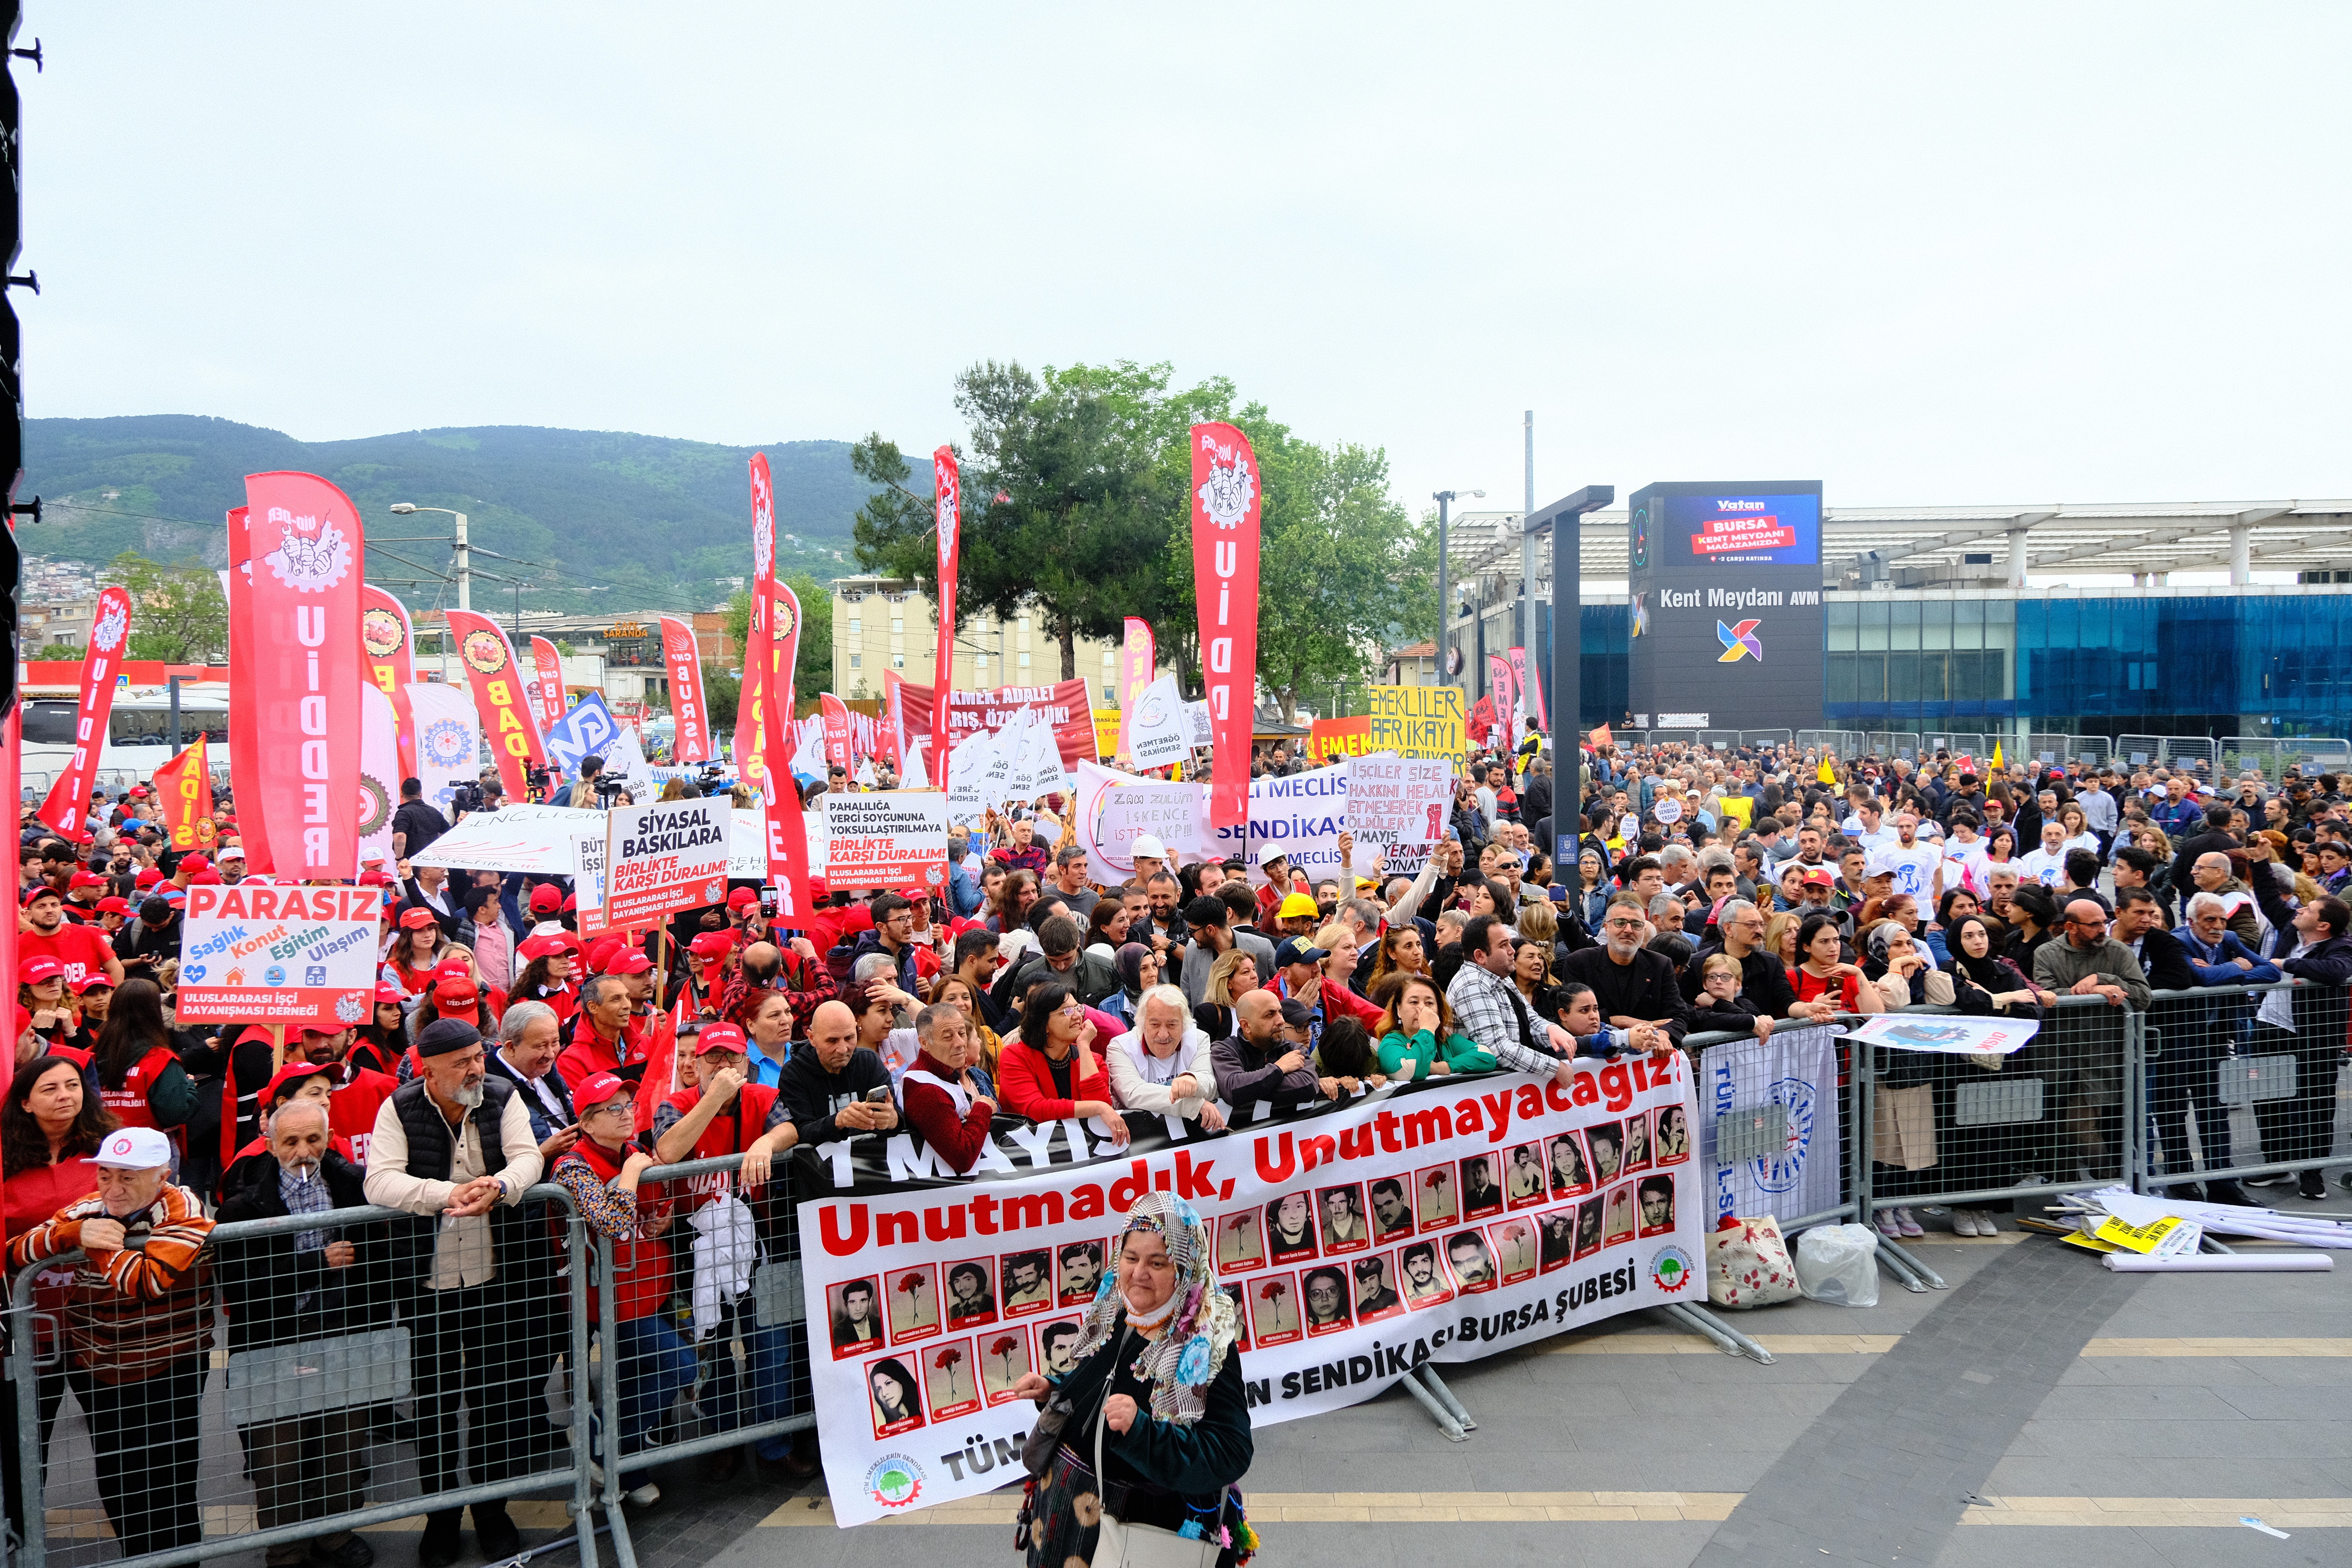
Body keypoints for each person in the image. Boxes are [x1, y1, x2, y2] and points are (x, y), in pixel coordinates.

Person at [362, 1018, 548, 1567]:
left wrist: (500, 1186)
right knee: (436, 1406)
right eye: (462, 1062)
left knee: (496, 1402)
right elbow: (380, 1180)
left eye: (478, 1056)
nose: (476, 1067)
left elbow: (529, 1156)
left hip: (497, 1276)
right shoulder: (398, 1106)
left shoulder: (501, 1094)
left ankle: (493, 1511)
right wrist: (450, 1193)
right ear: (429, 1070)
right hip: (430, 1284)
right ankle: (441, 1517)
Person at [1011, 1193, 1254, 1568]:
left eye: (1158, 1261)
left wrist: (1144, 1433)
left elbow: (1231, 1451)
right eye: (1131, 1257)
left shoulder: (1206, 1339)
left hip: (1146, 1539)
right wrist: (1054, 1391)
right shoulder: (1119, 1315)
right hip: (1073, 1531)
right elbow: (1103, 1386)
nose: (1139, 1272)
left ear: (1185, 1268)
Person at [11, 1125, 215, 1559]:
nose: (113, 1187)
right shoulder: (90, 1208)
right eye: (105, 1174)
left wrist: (98, 1243)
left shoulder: (185, 1206)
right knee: (119, 1485)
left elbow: (146, 1280)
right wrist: (70, 1235)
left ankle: (179, 1561)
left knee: (168, 1488)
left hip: (168, 1368)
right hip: (98, 1369)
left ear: (162, 1175)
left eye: (128, 1175)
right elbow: (14, 1250)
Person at [215, 1098, 386, 1568]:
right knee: (278, 1456)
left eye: (313, 1139)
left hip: (343, 1336)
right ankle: (287, 1548)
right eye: (290, 1141)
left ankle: (336, 1534)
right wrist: (317, 1264)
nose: (303, 1151)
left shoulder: (352, 1186)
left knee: (343, 1445)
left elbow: (379, 1259)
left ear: (328, 1138)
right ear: (270, 1144)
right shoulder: (244, 1204)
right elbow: (241, 1283)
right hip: (274, 1343)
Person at [549, 1070, 695, 1510]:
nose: (626, 1114)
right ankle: (600, 1449)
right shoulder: (572, 1165)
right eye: (613, 1109)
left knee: (631, 1378)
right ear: (588, 1123)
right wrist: (632, 1171)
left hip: (647, 1287)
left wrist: (660, 1218)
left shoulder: (632, 1149)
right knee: (682, 1367)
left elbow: (648, 1207)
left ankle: (627, 1470)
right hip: (610, 1299)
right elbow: (610, 1222)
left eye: (629, 1105)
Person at [997, 981, 1129, 1140]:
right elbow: (1036, 1109)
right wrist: (1098, 1108)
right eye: (1067, 1011)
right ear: (1044, 1023)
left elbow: (1099, 1117)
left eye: (1077, 1008)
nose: (1078, 1016)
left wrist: (1084, 1046)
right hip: (1028, 1153)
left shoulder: (1093, 1059)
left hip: (1078, 1151)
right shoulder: (1014, 1056)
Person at [897, 1000, 1001, 1172]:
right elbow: (963, 1158)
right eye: (948, 1037)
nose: (960, 1043)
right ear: (924, 1043)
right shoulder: (926, 1090)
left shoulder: (946, 1071)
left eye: (962, 1033)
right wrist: (982, 1108)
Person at [1106, 984, 1225, 1128]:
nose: (1163, 1035)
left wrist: (1194, 1081)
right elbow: (1133, 1094)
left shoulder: (1199, 1039)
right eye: (1155, 1025)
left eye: (1172, 1025)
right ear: (1142, 1024)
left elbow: (1210, 1084)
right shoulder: (1121, 1047)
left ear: (1184, 1025)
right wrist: (1193, 1105)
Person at [1211, 989, 1331, 1113]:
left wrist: (1250, 1089)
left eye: (1280, 1012)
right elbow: (1233, 1090)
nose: (1281, 1021)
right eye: (1270, 1015)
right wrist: (1279, 1068)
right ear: (1246, 1026)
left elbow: (1308, 1086)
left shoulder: (1295, 1049)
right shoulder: (1224, 1050)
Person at [1372, 972, 1495, 1079]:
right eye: (1414, 1002)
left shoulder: (1447, 1040)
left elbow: (1487, 1057)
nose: (1422, 1008)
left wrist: (1442, 1067)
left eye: (1429, 1003)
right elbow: (1412, 1071)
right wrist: (1427, 1029)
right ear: (1399, 1009)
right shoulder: (1390, 1042)